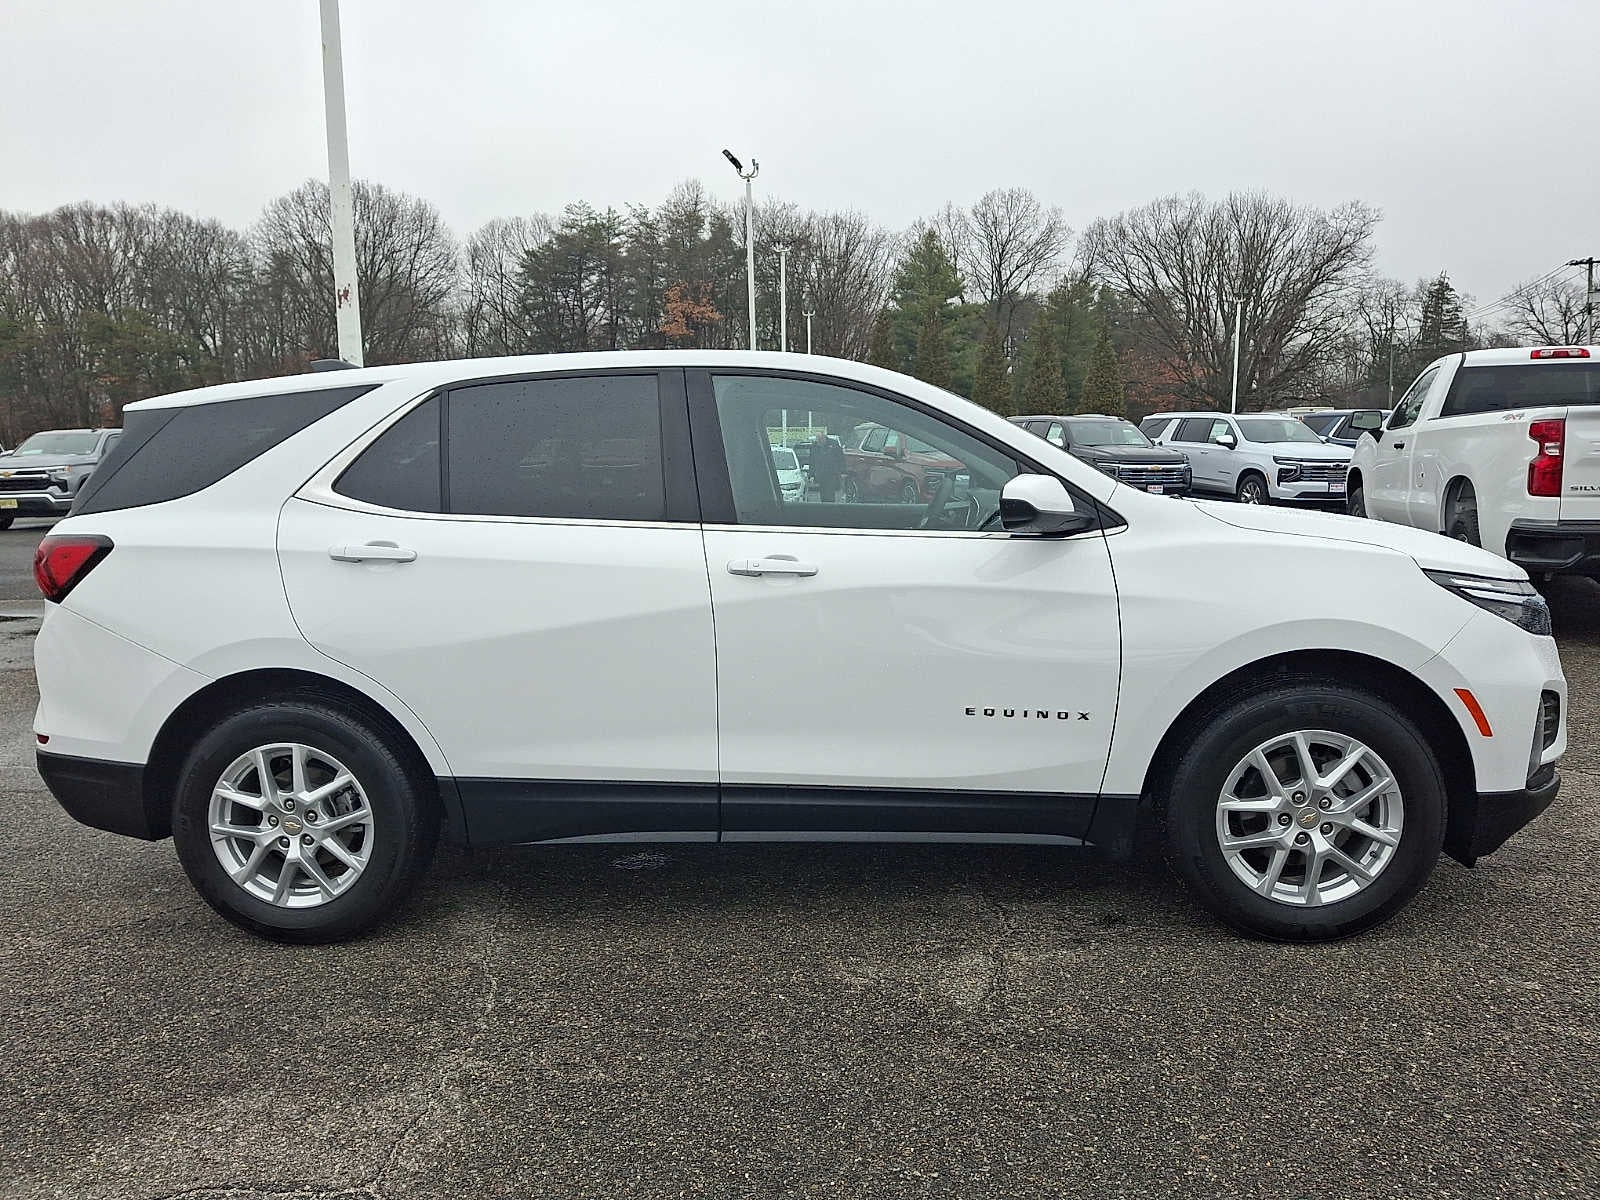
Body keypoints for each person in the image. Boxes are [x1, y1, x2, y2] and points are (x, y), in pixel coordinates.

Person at [809, 426, 846, 502]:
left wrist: (843, 471)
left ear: (824, 437)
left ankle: (830, 506)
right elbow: (812, 461)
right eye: (817, 439)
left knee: (830, 493)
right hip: (820, 474)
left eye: (820, 439)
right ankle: (824, 506)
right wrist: (811, 475)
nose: (818, 441)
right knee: (823, 493)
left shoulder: (833, 444)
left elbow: (841, 458)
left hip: (832, 473)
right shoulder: (814, 447)